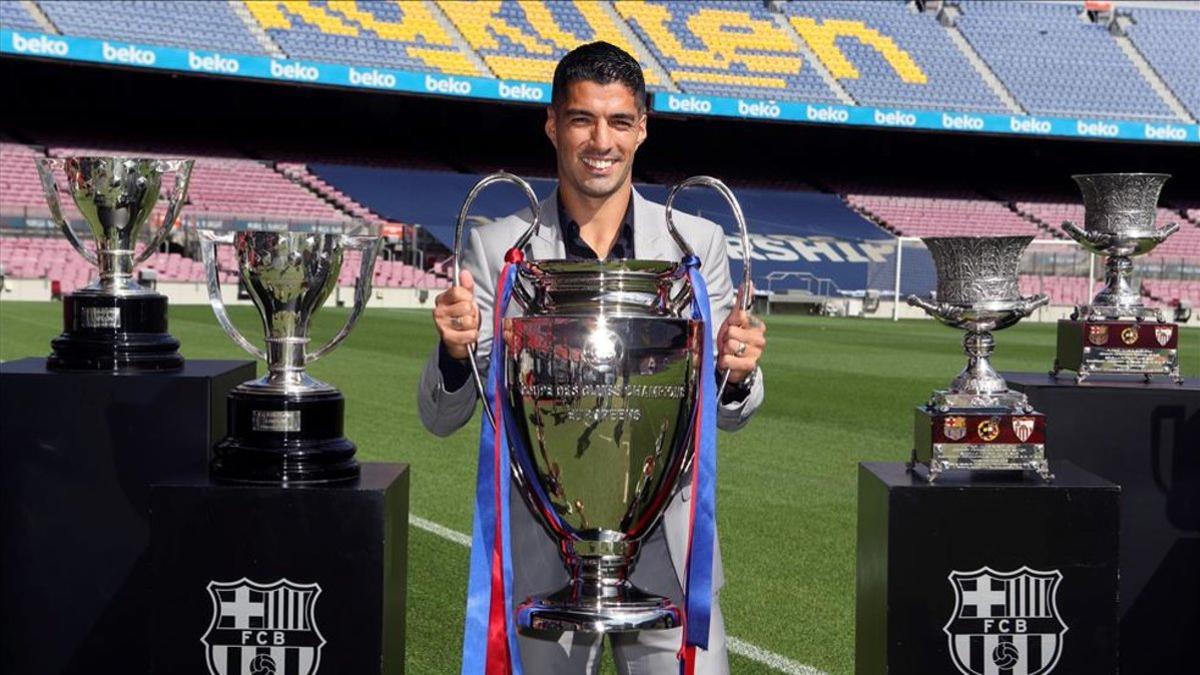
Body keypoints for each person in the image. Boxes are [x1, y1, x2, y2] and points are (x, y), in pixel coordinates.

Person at [418, 41, 767, 675]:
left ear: (642, 129)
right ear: (553, 125)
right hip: (544, 559)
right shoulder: (498, 247)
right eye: (582, 119)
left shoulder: (697, 243)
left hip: (669, 552)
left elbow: (728, 413)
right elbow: (441, 417)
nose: (600, 141)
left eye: (619, 121)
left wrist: (735, 371)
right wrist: (452, 352)